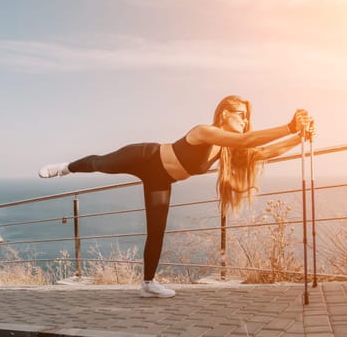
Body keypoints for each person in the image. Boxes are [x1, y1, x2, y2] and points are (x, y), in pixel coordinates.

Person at [39, 95, 313, 298]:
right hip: (145, 156)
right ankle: (64, 168)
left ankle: (148, 284)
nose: (244, 120)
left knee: (156, 231)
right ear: (223, 114)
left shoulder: (224, 150)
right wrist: (289, 126)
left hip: (161, 179)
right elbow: (245, 141)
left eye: (246, 116)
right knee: (100, 163)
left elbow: (260, 153)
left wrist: (299, 137)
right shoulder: (204, 131)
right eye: (240, 114)